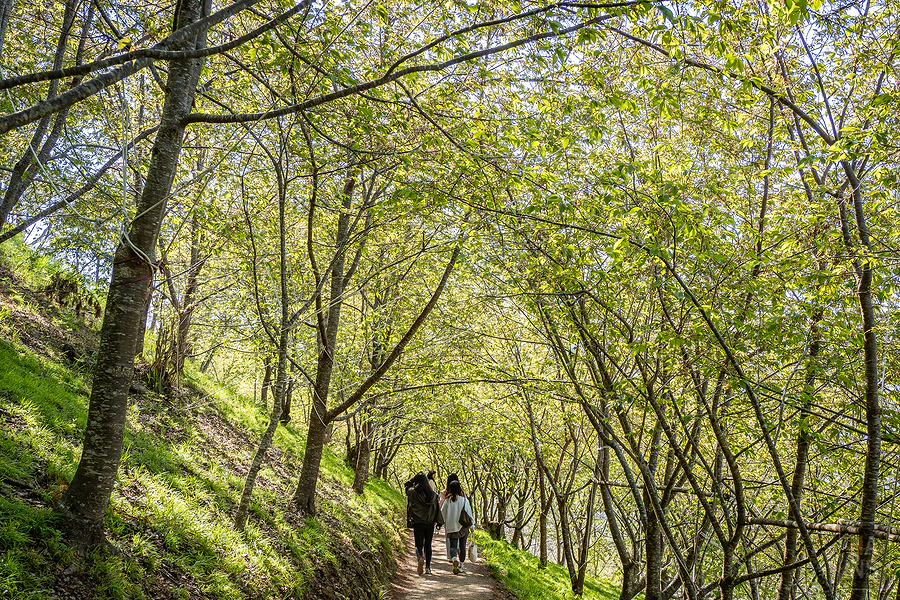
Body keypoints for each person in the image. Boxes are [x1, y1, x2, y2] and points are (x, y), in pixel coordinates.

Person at [405, 472, 444, 575]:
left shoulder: (413, 492)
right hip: (430, 523)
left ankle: (420, 557)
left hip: (418, 522)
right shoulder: (433, 495)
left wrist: (412, 480)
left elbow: (406, 487)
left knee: (418, 544)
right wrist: (438, 521)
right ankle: (428, 568)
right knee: (428, 545)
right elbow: (437, 509)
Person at [440, 479, 473, 575]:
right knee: (462, 547)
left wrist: (439, 523)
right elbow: (469, 514)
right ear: (459, 490)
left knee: (453, 546)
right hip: (463, 527)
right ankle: (461, 566)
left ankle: (454, 559)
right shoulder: (464, 500)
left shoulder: (447, 501)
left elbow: (442, 514)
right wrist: (472, 526)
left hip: (451, 526)